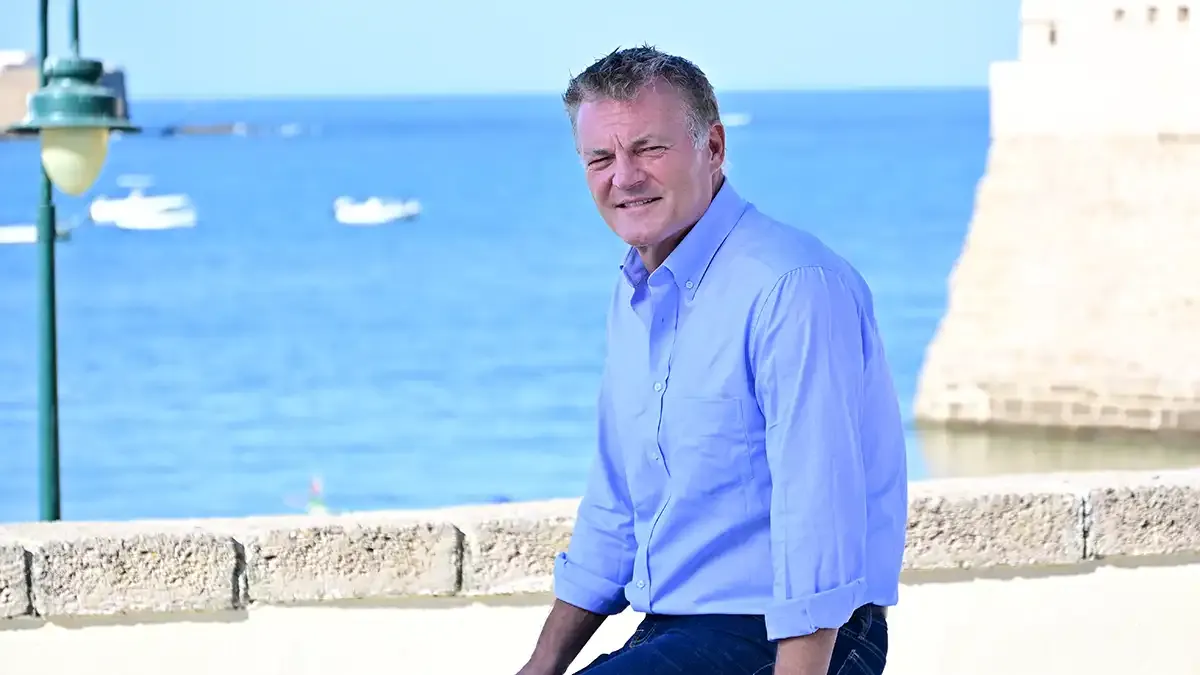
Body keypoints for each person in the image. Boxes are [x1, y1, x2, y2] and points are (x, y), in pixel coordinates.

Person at [517, 46, 908, 675]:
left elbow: (818, 511)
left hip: (803, 636)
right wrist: (541, 665)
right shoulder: (637, 291)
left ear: (715, 148)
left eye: (649, 149)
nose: (624, 176)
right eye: (600, 158)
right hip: (679, 628)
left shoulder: (791, 285)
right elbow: (616, 506)